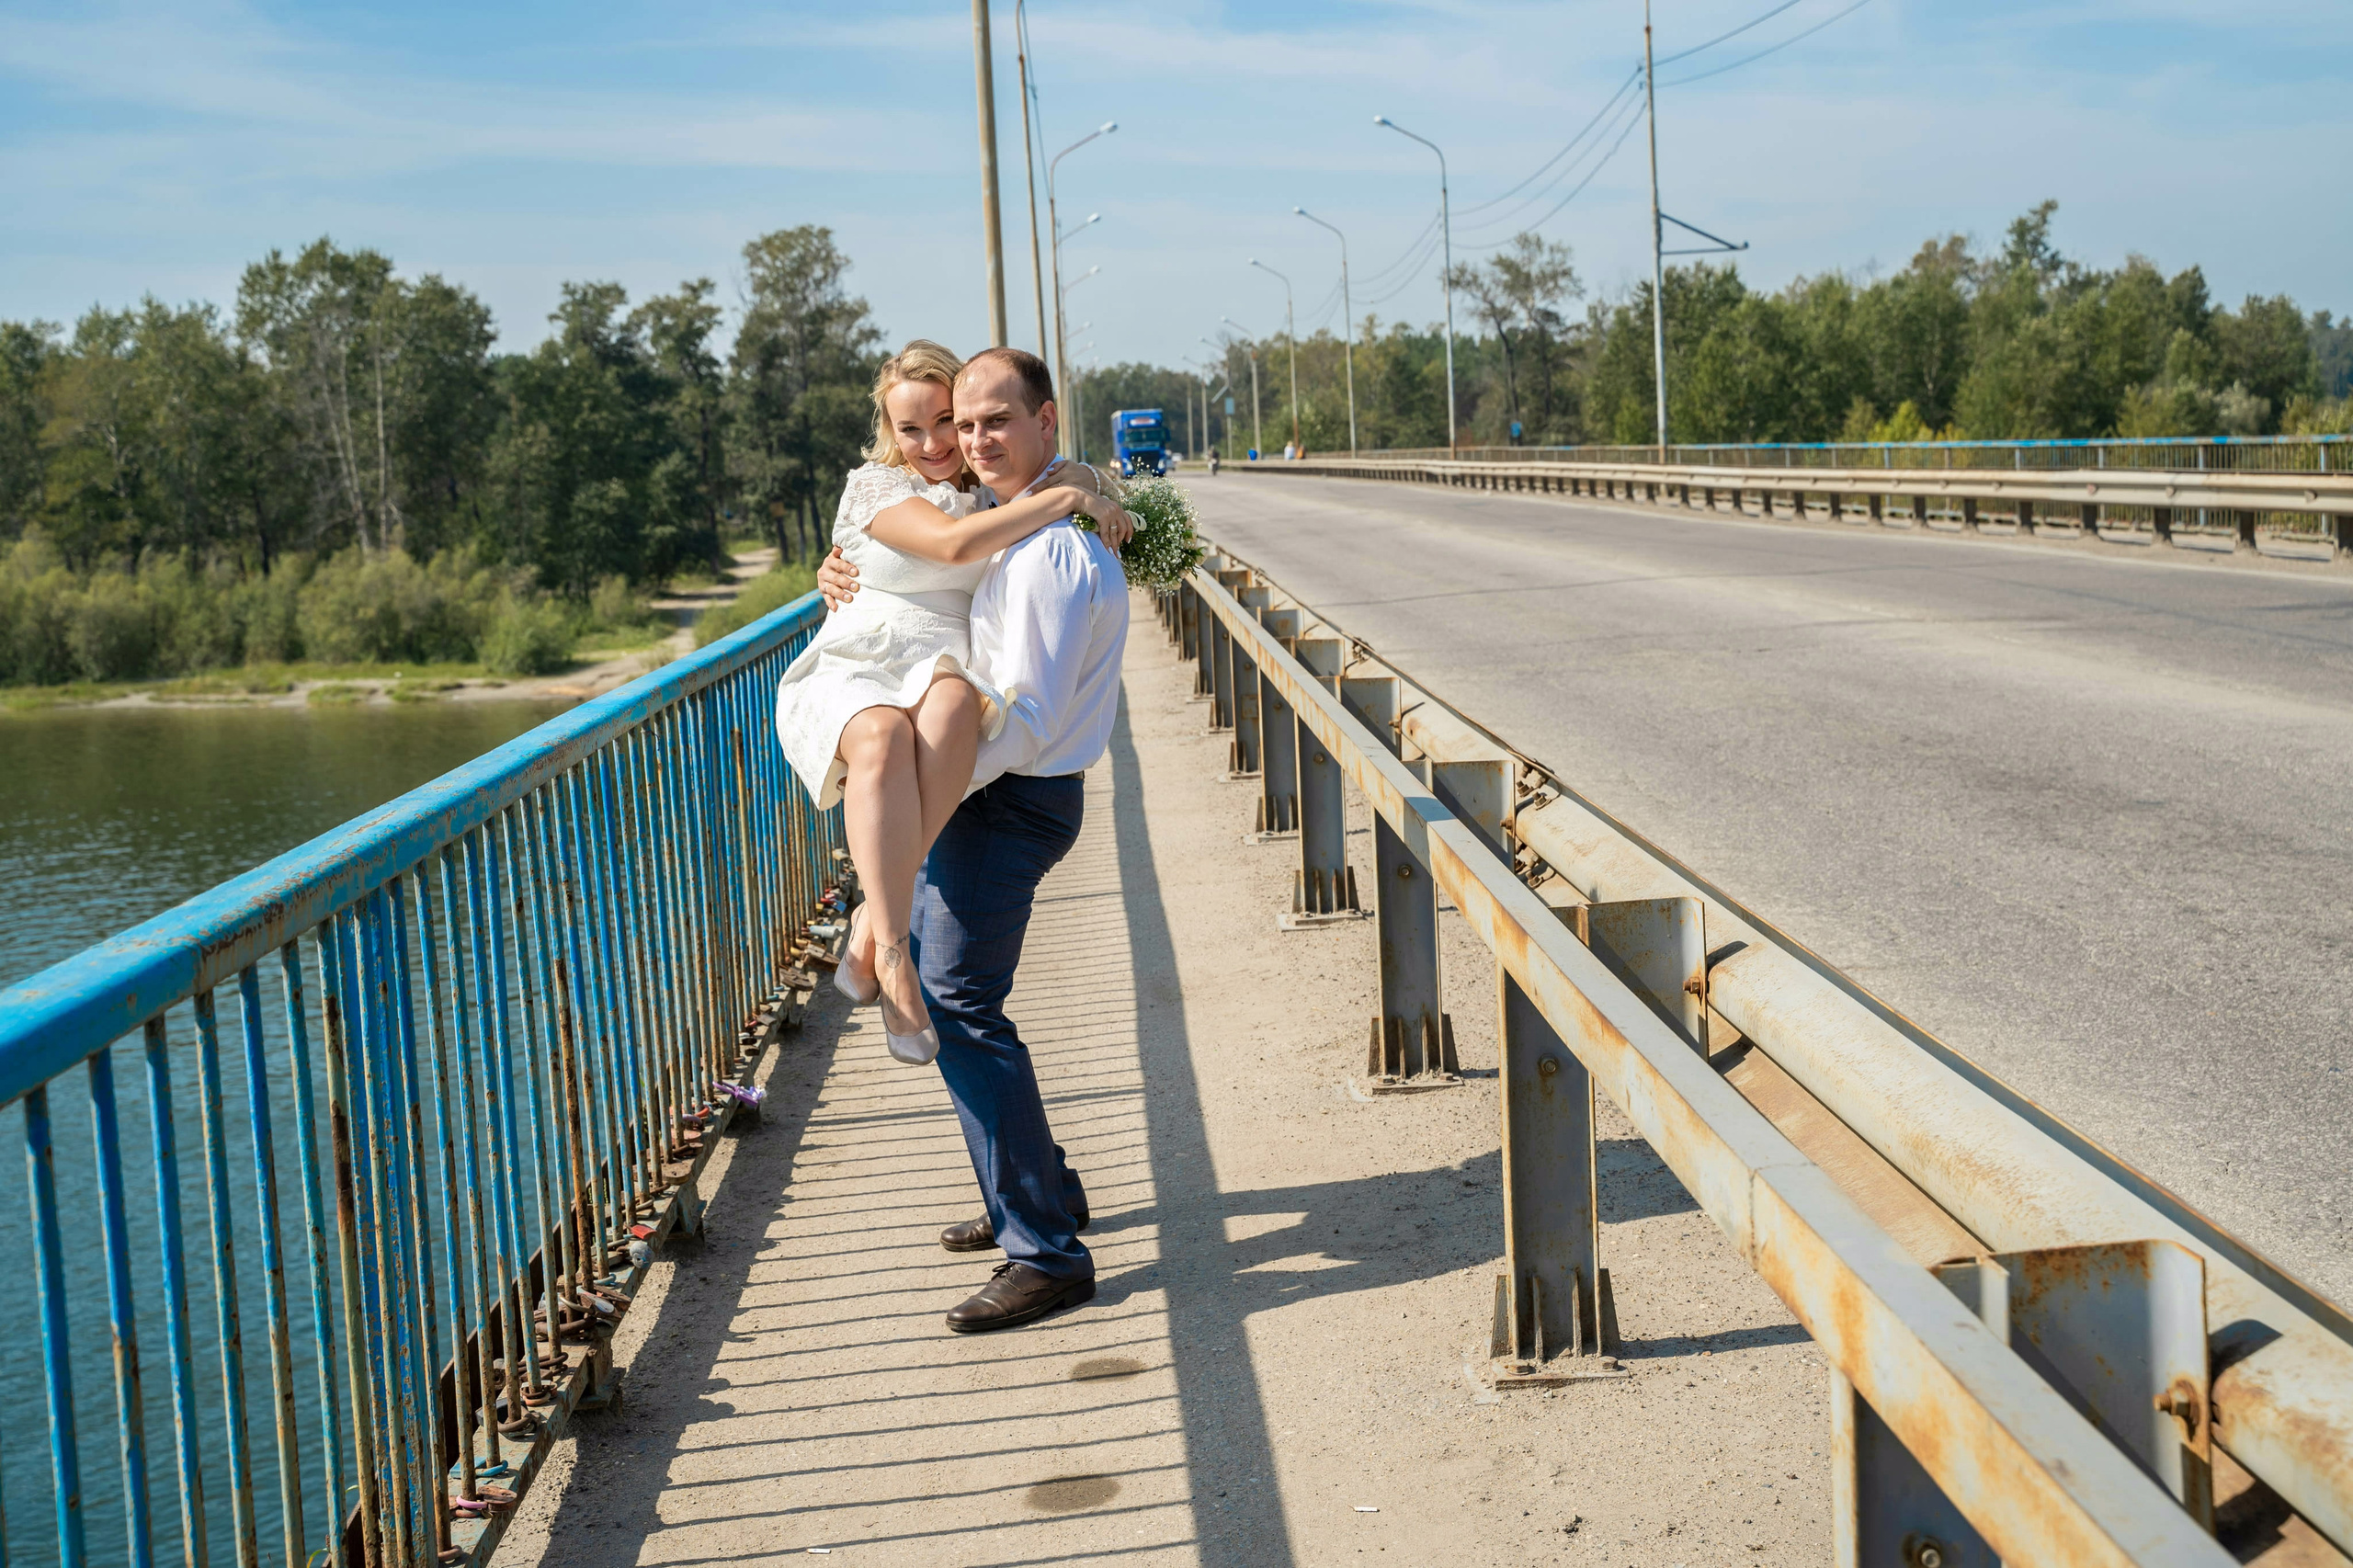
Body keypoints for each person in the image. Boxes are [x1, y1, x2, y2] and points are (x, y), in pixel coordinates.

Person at [818, 346, 1130, 1334]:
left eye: (1000, 419)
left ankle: (1045, 1250)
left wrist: (919, 803)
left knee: (957, 1004)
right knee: (962, 998)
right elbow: (917, 562)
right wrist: (844, 571)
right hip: (995, 793)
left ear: (1047, 421)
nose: (976, 438)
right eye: (967, 421)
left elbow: (1025, 717)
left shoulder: (1047, 552)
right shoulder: (1012, 523)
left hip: (1009, 799)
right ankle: (1036, 1187)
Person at [774, 340, 1132, 1066]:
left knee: (955, 712)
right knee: (879, 741)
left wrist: (1087, 480)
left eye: (947, 421)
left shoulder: (991, 486)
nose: (936, 444)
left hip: (940, 663)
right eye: (912, 430)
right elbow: (952, 547)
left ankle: (873, 919)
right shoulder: (877, 488)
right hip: (862, 658)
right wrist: (1065, 496)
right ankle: (893, 951)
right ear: (890, 433)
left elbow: (1089, 473)